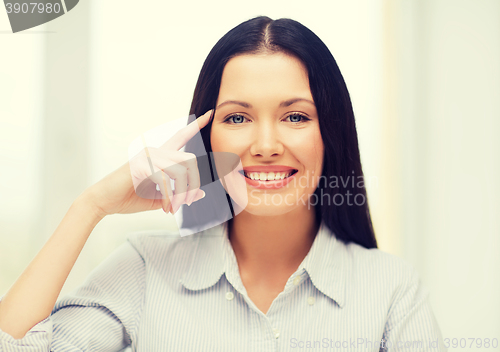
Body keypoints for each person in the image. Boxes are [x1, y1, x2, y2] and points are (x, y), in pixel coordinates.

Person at [0, 16, 446, 351]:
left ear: (330, 133)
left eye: (295, 116)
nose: (266, 144)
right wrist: (91, 206)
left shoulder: (392, 291)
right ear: (204, 138)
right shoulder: (144, 269)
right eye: (237, 117)